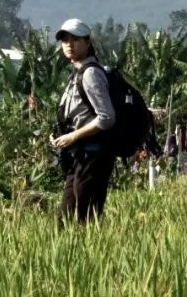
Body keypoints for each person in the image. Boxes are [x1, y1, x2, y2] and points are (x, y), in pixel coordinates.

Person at [49, 18, 116, 223]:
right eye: (65, 39)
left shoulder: (91, 74)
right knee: (65, 220)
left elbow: (106, 118)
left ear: (87, 43)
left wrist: (73, 136)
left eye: (75, 39)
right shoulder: (76, 74)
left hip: (93, 157)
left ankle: (94, 253)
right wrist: (61, 137)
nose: (69, 44)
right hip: (79, 158)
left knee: (85, 219)